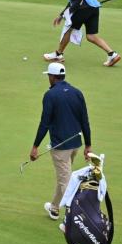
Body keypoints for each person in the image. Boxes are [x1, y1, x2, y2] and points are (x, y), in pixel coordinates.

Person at [29, 62, 92, 222]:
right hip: (75, 144)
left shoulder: (50, 95)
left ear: (52, 77)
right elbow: (85, 120)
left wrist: (35, 146)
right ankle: (54, 208)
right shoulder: (77, 92)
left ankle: (77, 218)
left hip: (60, 147)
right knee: (64, 178)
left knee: (66, 182)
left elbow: (45, 123)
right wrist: (88, 144)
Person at [43, 0, 121, 67]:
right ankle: (112, 54)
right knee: (91, 36)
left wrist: (67, 14)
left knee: (68, 30)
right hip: (94, 7)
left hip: (84, 8)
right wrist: (62, 14)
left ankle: (58, 55)